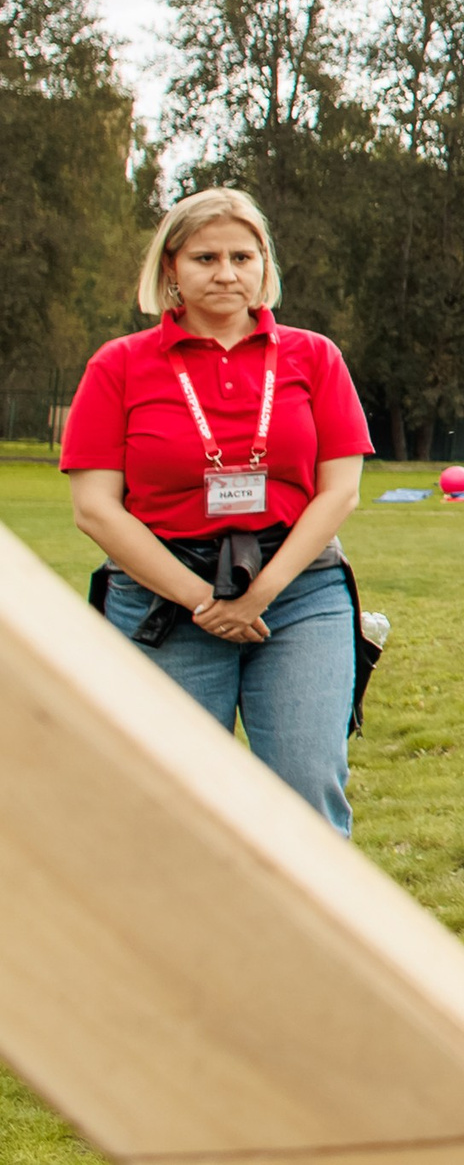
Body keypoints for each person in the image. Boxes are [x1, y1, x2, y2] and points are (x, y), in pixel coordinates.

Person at [61, 188, 373, 835]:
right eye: (205, 256)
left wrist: (259, 595)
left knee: (306, 785)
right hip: (161, 595)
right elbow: (95, 507)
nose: (226, 272)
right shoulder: (118, 365)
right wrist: (206, 601)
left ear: (265, 265)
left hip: (296, 590)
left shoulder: (314, 356)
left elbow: (340, 488)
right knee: (171, 802)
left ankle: (303, 937)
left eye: (242, 255)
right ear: (170, 267)